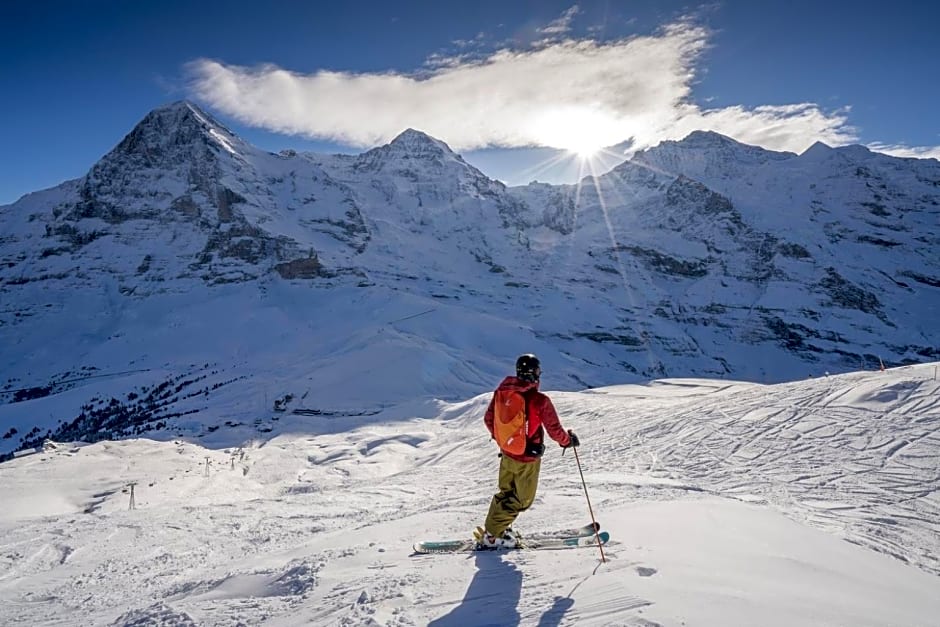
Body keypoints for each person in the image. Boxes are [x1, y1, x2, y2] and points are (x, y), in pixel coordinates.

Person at [478, 354, 579, 548]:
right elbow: (554, 430)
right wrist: (567, 441)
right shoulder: (539, 400)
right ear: (534, 374)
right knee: (522, 500)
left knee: (506, 493)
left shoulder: (502, 393)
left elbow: (489, 420)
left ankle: (498, 528)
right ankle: (492, 535)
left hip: (507, 454)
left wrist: (505, 440)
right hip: (526, 459)